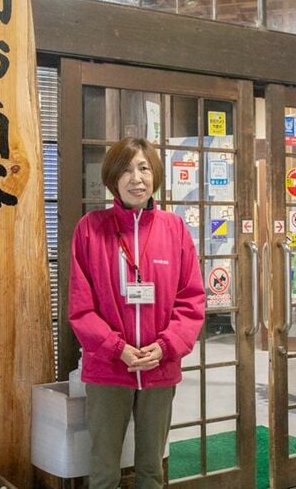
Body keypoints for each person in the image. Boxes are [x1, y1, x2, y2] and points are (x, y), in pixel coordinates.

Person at [68, 137, 206, 489]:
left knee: (151, 471)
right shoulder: (90, 228)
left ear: (155, 175)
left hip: (159, 368)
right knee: (103, 473)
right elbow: (81, 308)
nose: (136, 178)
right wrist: (118, 349)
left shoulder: (174, 228)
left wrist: (165, 347)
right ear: (113, 178)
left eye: (144, 168)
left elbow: (191, 301)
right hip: (108, 369)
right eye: (127, 169)